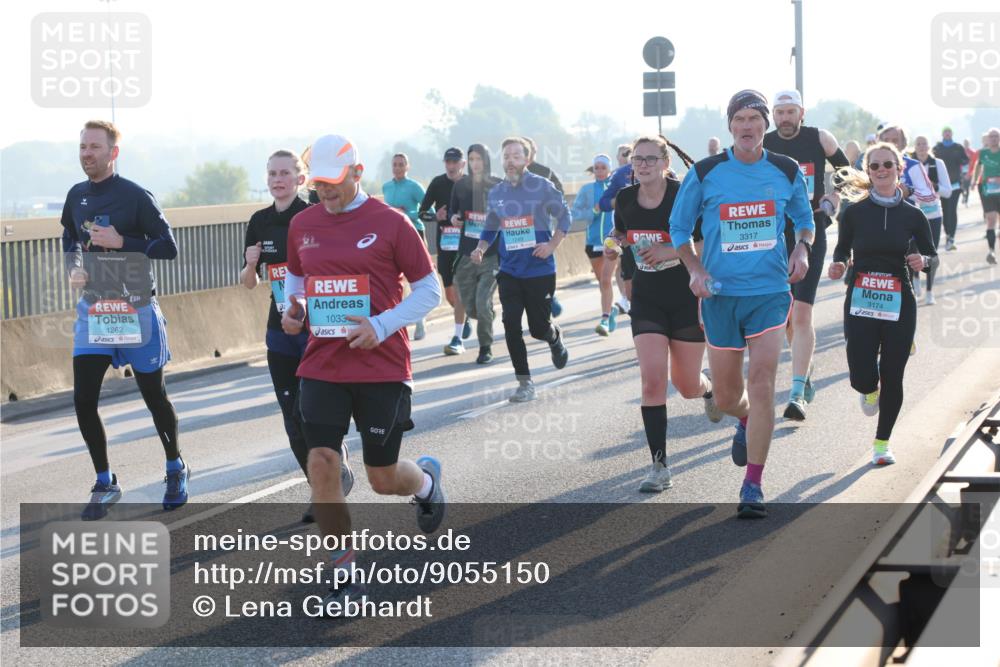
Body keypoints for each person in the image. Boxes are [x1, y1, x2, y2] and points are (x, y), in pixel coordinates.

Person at [281, 134, 444, 608]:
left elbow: (429, 291)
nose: (324, 193)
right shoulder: (304, 223)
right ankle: (343, 573)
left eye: (333, 183)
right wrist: (292, 311)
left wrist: (380, 324)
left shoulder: (390, 223)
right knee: (322, 463)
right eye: (318, 184)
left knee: (382, 477)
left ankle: (427, 483)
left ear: (356, 173)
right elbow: (296, 279)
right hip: (323, 362)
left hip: (382, 365)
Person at [670, 90, 814, 518]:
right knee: (731, 394)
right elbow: (678, 228)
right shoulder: (706, 171)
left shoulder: (786, 170)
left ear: (765, 124)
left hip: (769, 293)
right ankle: (744, 419)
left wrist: (802, 250)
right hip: (719, 297)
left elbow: (805, 222)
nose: (748, 126)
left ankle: (753, 483)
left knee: (764, 382)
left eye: (755, 118)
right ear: (729, 126)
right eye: (740, 119)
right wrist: (695, 269)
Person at [61, 120, 185, 520]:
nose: (86, 153)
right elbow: (68, 237)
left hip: (135, 309)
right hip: (95, 309)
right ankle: (105, 480)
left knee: (154, 397)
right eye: (82, 146)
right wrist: (74, 266)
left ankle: (174, 466)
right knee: (83, 399)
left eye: (95, 147)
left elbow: (169, 247)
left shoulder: (135, 196)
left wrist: (123, 243)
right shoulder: (76, 195)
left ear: (113, 153)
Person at [605, 135, 722, 492]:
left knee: (685, 385)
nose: (642, 165)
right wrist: (612, 245)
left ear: (665, 163)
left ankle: (708, 388)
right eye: (637, 159)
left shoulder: (682, 195)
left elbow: (705, 242)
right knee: (652, 380)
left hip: (686, 297)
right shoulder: (625, 198)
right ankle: (659, 466)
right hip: (648, 299)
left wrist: (671, 252)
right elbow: (621, 233)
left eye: (650, 159)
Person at [828, 142, 936, 465]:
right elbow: (841, 249)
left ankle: (882, 443)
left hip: (899, 300)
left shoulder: (913, 215)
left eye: (888, 164)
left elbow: (932, 255)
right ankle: (868, 388)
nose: (881, 171)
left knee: (894, 373)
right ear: (868, 171)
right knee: (861, 372)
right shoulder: (855, 212)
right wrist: (838, 264)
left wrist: (923, 260)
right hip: (861, 298)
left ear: (899, 169)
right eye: (874, 166)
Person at [763, 89, 849, 421]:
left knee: (801, 315)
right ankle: (806, 369)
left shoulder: (820, 138)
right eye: (780, 112)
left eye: (790, 112)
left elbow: (846, 173)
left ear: (802, 112)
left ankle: (797, 393)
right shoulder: (764, 143)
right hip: (771, 236)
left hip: (811, 230)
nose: (785, 118)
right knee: (785, 318)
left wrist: (832, 197)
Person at [471, 137, 571, 402]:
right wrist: (481, 248)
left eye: (516, 156)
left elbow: (564, 216)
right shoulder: (497, 193)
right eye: (506, 156)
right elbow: (491, 226)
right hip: (510, 271)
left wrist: (551, 245)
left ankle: (554, 336)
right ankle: (525, 383)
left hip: (539, 270)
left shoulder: (542, 187)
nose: (510, 161)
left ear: (526, 160)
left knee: (538, 328)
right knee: (511, 325)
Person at [449, 143, 502, 364]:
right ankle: (487, 316)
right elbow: (452, 211)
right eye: (471, 159)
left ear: (486, 160)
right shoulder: (460, 185)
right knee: (472, 307)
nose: (475, 163)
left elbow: (508, 210)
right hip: (466, 254)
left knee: (482, 302)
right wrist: (453, 218)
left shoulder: (498, 185)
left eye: (479, 159)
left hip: (490, 255)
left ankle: (485, 348)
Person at [419, 147, 471, 352]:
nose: (451, 166)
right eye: (448, 162)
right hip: (446, 244)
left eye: (455, 162)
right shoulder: (437, 183)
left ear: (462, 164)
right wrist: (435, 217)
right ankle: (463, 316)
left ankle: (461, 323)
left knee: (464, 284)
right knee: (449, 291)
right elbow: (422, 212)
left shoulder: (470, 184)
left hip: (467, 244)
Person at [877, 124, 938, 298]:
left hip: (906, 231)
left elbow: (930, 196)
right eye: (886, 140)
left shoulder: (912, 166)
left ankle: (904, 314)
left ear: (904, 144)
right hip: (876, 229)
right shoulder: (870, 164)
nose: (891, 144)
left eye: (895, 140)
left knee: (903, 280)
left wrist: (909, 192)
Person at [572, 154, 618, 335]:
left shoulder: (616, 189)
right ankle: (611, 309)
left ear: (609, 169)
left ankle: (605, 319)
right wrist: (593, 211)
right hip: (592, 242)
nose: (599, 171)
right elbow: (575, 213)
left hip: (612, 242)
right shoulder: (587, 190)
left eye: (603, 168)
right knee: (602, 282)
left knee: (606, 280)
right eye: (596, 168)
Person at [523, 136, 565, 318]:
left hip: (541, 226)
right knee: (524, 264)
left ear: (533, 151)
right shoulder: (511, 173)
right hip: (519, 227)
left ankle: (551, 297)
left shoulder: (544, 172)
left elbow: (560, 194)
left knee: (542, 260)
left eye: (526, 150)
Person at [910, 136, 952, 304]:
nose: (921, 147)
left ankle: (929, 291)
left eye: (924, 143)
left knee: (931, 254)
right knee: (913, 252)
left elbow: (948, 191)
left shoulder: (938, 163)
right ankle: (914, 278)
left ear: (929, 146)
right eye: (918, 144)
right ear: (914, 147)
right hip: (913, 215)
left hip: (933, 215)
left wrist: (932, 187)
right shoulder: (909, 164)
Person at [932, 127, 969, 251]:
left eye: (949, 132)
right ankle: (948, 234)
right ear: (942, 134)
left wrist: (961, 162)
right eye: (945, 132)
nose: (947, 134)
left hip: (955, 184)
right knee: (945, 210)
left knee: (952, 210)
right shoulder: (937, 148)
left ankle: (951, 237)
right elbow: (931, 162)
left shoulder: (958, 147)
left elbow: (966, 161)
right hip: (941, 185)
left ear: (952, 134)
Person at [971, 127, 1000, 265]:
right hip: (987, 190)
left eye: (996, 136)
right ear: (987, 139)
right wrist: (975, 181)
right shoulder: (983, 153)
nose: (994, 139)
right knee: (991, 219)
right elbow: (977, 166)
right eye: (991, 136)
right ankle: (991, 251)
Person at [382, 153, 427, 236]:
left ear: (407, 167)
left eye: (401, 165)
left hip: (414, 231)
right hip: (393, 233)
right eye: (394, 165)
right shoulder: (386, 187)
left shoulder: (415, 186)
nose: (397, 168)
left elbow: (429, 211)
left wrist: (406, 214)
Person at [962, 138, 978, 206]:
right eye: (965, 143)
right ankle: (964, 196)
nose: (966, 144)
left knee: (967, 187)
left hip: (969, 172)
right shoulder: (961, 151)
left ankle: (966, 201)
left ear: (969, 144)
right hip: (961, 172)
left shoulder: (972, 152)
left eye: (967, 143)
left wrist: (971, 172)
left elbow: (975, 162)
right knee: (962, 186)